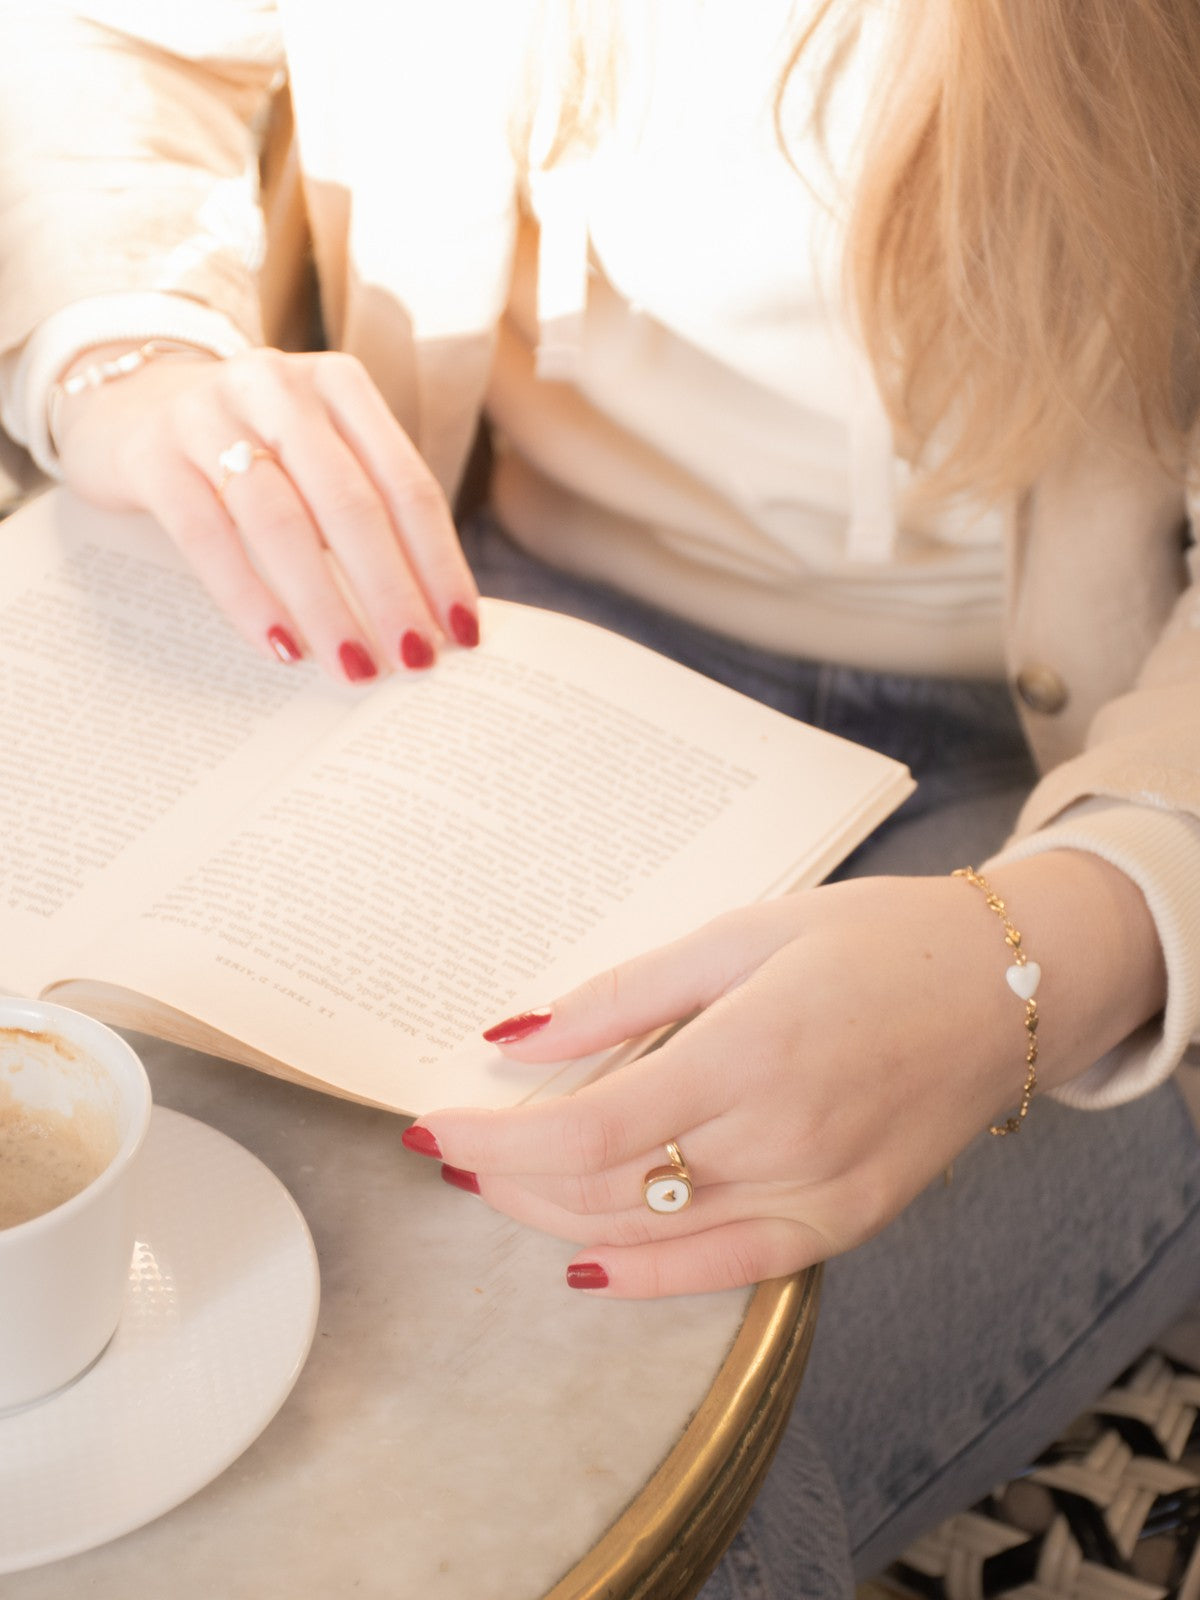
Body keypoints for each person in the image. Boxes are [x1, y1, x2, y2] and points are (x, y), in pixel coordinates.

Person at [1, 2, 1198, 1591]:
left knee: (609, 1475)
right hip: (483, 629)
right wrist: (134, 348)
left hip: (1075, 772)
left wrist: (1092, 927)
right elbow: (113, 36)